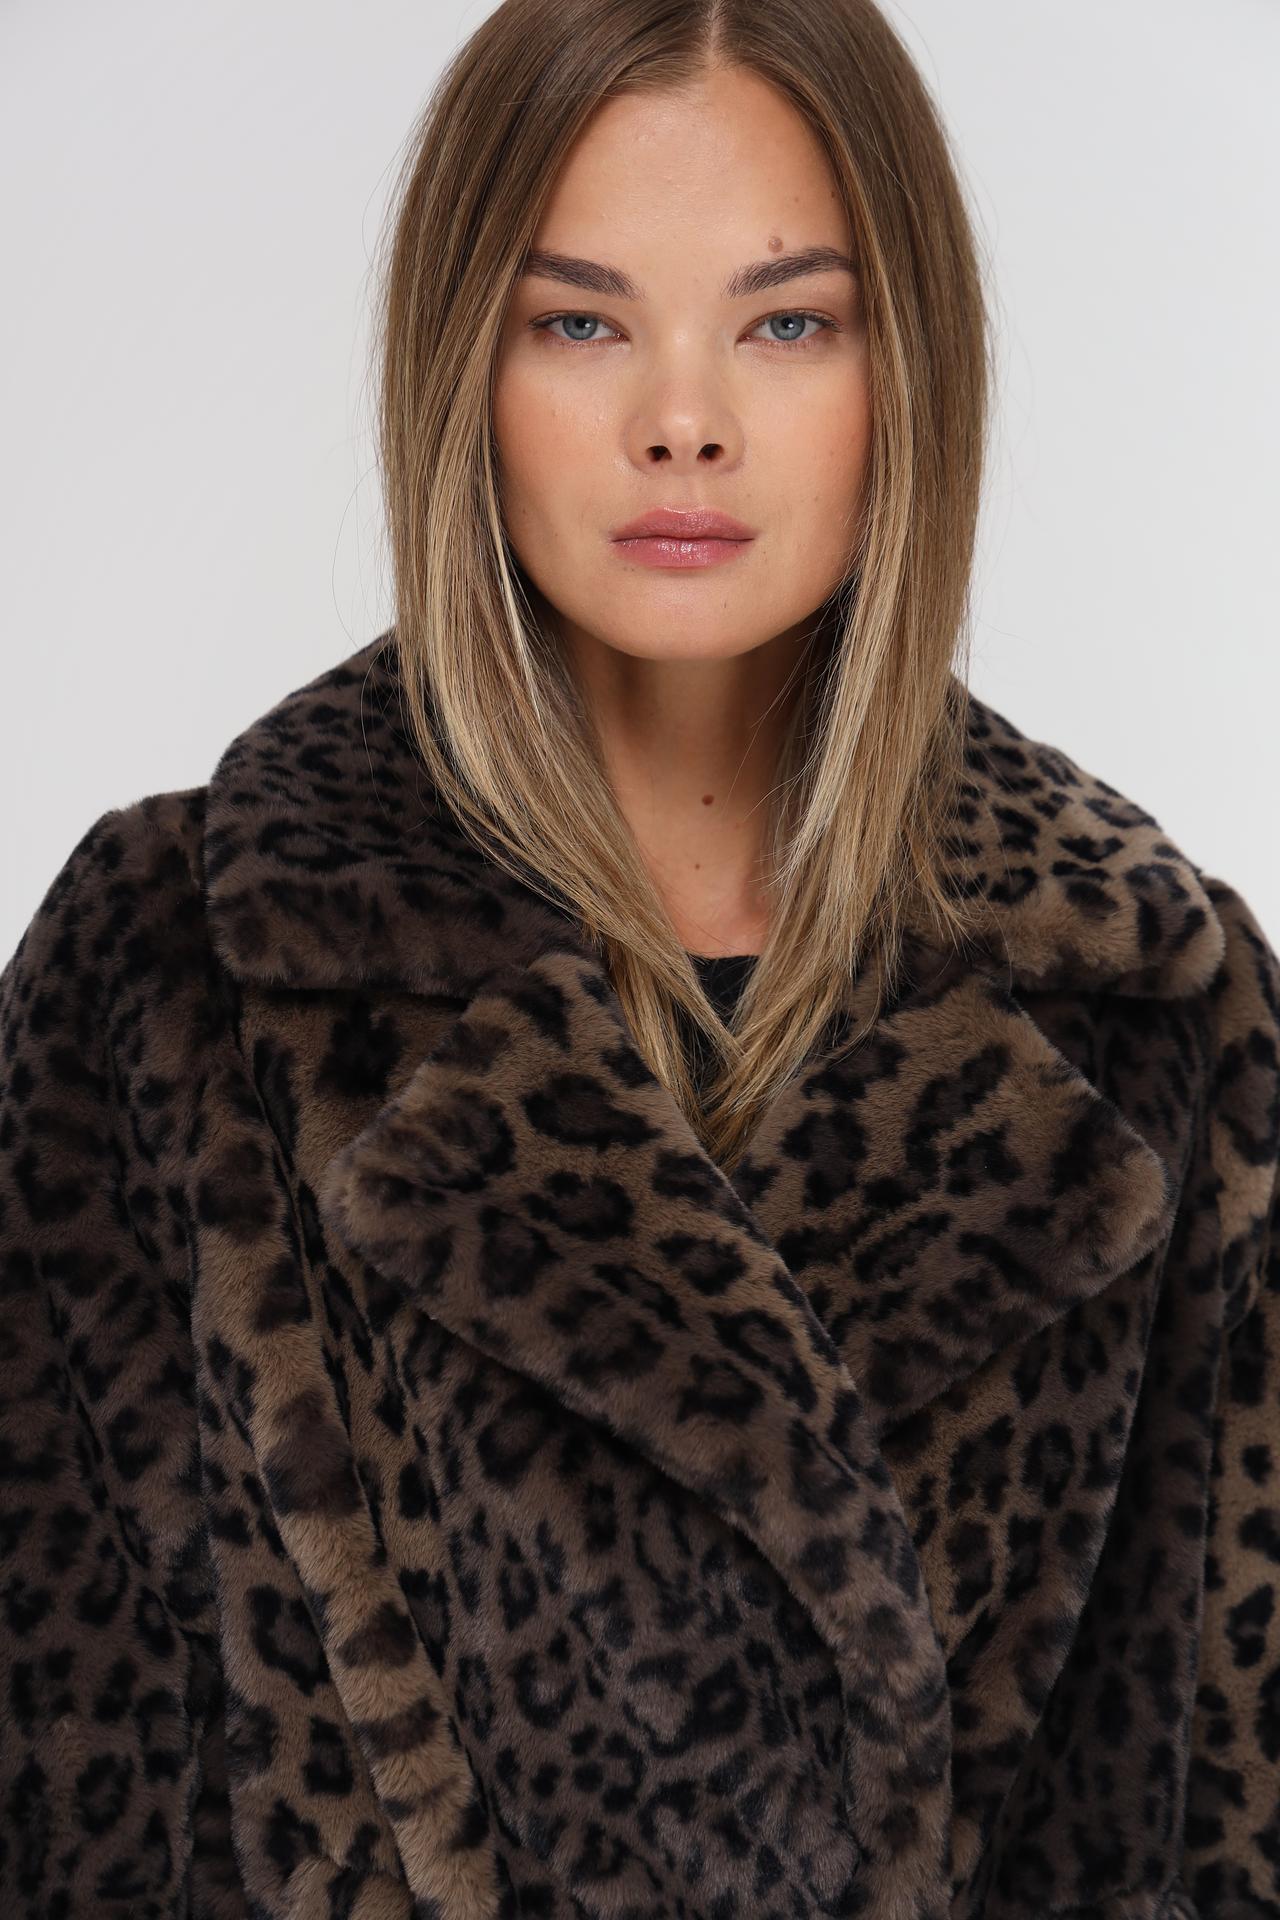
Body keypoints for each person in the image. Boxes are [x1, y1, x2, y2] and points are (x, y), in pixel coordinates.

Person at [2, 3, 1276, 1917]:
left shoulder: (1158, 1012)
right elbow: (58, 1785)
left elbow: (1225, 1805)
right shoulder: (170, 968)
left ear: (908, 369)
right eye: (580, 323)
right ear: (465, 365)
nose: (684, 417)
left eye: (789, 322)